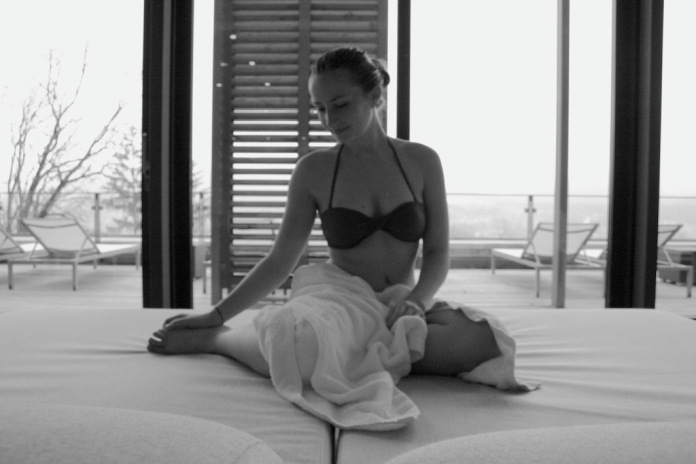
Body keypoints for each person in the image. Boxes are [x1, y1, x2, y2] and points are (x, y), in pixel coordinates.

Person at [147, 46, 501, 378]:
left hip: (401, 302)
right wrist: (216, 315)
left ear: (375, 96)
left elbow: (438, 252)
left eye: (341, 104)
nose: (329, 119)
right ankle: (219, 340)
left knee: (485, 340)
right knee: (298, 348)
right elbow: (280, 261)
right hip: (340, 300)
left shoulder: (422, 160)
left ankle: (363, 353)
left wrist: (417, 301)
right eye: (319, 108)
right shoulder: (313, 170)